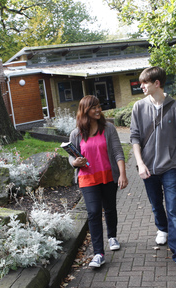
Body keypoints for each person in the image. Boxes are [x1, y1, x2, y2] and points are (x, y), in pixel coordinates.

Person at [130, 66, 176, 273]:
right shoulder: (138, 107)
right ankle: (162, 228)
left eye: (144, 83)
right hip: (148, 168)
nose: (141, 87)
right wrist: (140, 163)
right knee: (156, 203)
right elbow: (135, 138)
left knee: (173, 209)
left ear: (157, 83)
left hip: (170, 167)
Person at [68, 95, 128, 268]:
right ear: (85, 110)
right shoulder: (76, 133)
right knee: (94, 213)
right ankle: (98, 254)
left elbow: (117, 151)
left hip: (108, 175)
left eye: (99, 106)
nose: (98, 110)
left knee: (109, 208)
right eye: (94, 107)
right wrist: (75, 162)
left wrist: (123, 174)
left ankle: (112, 236)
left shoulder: (108, 128)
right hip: (87, 178)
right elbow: (72, 158)